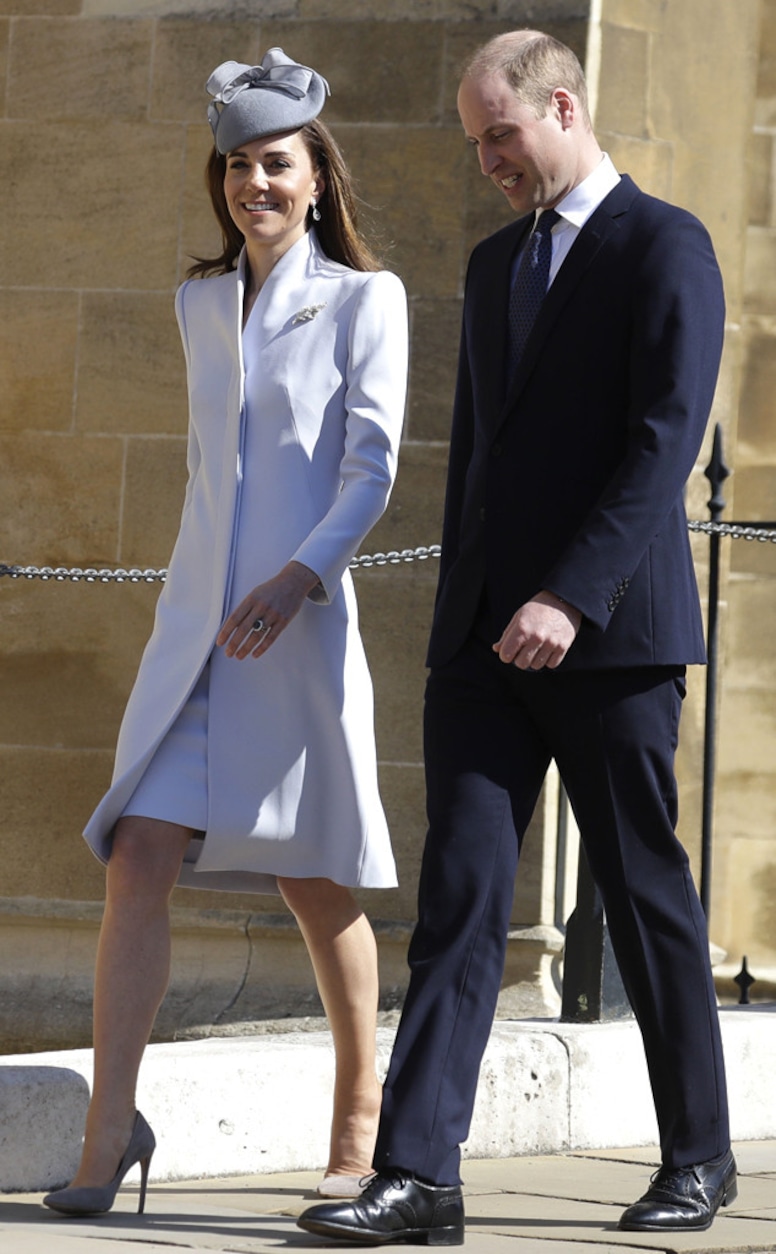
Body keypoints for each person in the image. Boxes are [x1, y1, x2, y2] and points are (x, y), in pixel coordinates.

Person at [298, 28, 735, 1246]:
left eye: (499, 133)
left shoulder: (666, 245)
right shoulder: (493, 266)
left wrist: (570, 595)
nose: (486, 158)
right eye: (474, 141)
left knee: (647, 901)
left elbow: (660, 444)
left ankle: (698, 1160)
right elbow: (479, 470)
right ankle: (418, 1178)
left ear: (560, 103)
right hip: (485, 650)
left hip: (609, 644)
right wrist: (464, 624)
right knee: (458, 900)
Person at [43, 48, 408, 1217]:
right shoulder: (200, 303)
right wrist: (207, 603)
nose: (255, 181)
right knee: (138, 855)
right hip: (193, 637)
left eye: (277, 164)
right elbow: (211, 477)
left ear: (315, 178)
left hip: (290, 633)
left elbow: (371, 469)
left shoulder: (365, 300)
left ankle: (359, 1127)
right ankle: (108, 1131)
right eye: (239, 164)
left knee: (312, 880)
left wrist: (298, 580)